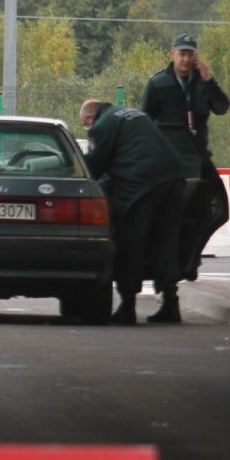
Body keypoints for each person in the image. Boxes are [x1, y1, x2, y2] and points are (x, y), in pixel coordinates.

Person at [79, 100, 186, 324]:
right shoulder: (133, 114)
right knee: (166, 243)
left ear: (90, 117)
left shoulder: (102, 125)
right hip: (174, 180)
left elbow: (95, 166)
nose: (88, 128)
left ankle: (127, 307)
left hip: (141, 184)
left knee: (131, 243)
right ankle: (171, 304)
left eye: (85, 124)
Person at [141, 32, 230, 280]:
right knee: (168, 218)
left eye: (190, 54)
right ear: (172, 54)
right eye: (181, 53)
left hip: (197, 161)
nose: (185, 59)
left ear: (195, 57)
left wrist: (209, 80)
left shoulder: (202, 82)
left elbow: (222, 107)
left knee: (211, 212)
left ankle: (190, 258)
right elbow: (145, 122)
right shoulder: (158, 84)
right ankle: (166, 265)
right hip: (167, 163)